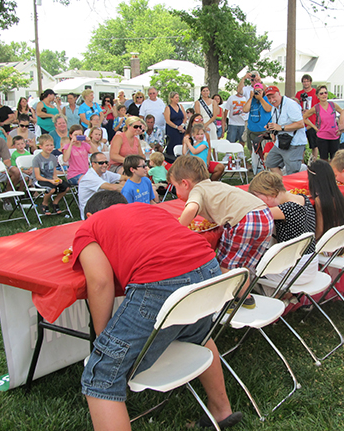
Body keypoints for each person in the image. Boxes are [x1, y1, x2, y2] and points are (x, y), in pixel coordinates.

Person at [73, 190, 242, 431]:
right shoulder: (150, 209)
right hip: (209, 269)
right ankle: (221, 410)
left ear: (88, 215)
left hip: (161, 282)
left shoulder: (89, 225)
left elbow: (99, 281)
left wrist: (103, 339)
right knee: (199, 336)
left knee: (102, 372)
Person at [169, 155, 274, 278]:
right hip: (265, 215)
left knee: (226, 267)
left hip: (244, 220)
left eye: (175, 186)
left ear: (185, 183)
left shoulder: (197, 190)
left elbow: (191, 208)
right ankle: (245, 294)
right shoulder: (214, 185)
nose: (176, 191)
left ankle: (235, 296)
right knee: (242, 265)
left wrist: (177, 231)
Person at [248, 170, 318, 287]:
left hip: (295, 270)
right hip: (310, 264)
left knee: (246, 260)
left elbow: (252, 214)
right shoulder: (303, 198)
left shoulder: (286, 209)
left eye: (259, 198)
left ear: (273, 194)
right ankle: (284, 296)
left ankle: (269, 296)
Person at [263, 86, 307, 176]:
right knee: (270, 162)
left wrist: (281, 127)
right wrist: (271, 128)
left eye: (273, 97)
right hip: (281, 142)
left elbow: (300, 124)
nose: (272, 100)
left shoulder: (291, 105)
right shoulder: (274, 107)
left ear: (279, 94)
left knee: (292, 171)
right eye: (269, 98)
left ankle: (292, 188)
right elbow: (277, 125)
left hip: (294, 143)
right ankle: (283, 185)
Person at [307, 159, 344, 240]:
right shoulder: (338, 194)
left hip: (329, 246)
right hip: (343, 242)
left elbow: (320, 229)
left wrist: (312, 243)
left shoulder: (320, 200)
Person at [303, 85, 343, 161]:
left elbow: (343, 113)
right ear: (318, 96)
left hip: (334, 135)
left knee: (334, 159)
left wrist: (340, 126)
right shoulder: (316, 107)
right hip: (322, 136)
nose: (324, 95)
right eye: (321, 93)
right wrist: (314, 127)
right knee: (324, 159)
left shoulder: (333, 105)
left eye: (325, 92)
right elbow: (304, 117)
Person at [32, 134, 69, 215]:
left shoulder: (53, 157)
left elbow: (54, 174)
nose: (49, 147)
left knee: (66, 187)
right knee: (51, 189)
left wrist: (56, 179)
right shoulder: (37, 159)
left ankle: (55, 202)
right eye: (47, 145)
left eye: (51, 145)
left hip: (50, 179)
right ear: (40, 146)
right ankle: (44, 204)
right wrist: (51, 181)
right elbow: (38, 176)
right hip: (40, 180)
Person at [77, 152, 122, 219]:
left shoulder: (105, 173)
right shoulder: (89, 177)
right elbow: (113, 188)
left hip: (102, 206)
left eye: (106, 162)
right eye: (101, 163)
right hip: (91, 213)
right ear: (93, 164)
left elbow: (124, 177)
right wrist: (133, 186)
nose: (105, 165)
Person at [182, 114, 225, 181]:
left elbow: (208, 150)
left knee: (220, 167)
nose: (199, 121)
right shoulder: (189, 137)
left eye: (201, 120)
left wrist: (207, 164)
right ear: (192, 122)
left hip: (203, 162)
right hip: (193, 164)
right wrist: (185, 142)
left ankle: (211, 183)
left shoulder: (206, 136)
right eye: (197, 120)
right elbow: (185, 153)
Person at [295, 74, 320, 160]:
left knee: (314, 145)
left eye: (307, 81)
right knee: (301, 146)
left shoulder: (315, 93)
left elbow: (319, 107)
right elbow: (295, 105)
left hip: (312, 122)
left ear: (310, 82)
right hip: (302, 123)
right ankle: (301, 163)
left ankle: (314, 162)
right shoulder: (299, 94)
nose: (306, 83)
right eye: (304, 81)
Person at [242, 83, 272, 148]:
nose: (258, 92)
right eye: (256, 91)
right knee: (251, 148)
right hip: (252, 130)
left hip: (264, 130)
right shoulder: (252, 100)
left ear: (263, 91)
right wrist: (250, 98)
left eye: (260, 91)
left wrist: (261, 99)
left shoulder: (266, 98)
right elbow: (245, 110)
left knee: (264, 150)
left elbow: (268, 109)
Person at [163, 91, 186, 159]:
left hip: (181, 128)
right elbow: (168, 120)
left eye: (178, 97)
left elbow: (185, 117)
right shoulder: (168, 108)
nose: (177, 99)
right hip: (172, 129)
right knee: (172, 145)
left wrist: (182, 125)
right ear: (171, 98)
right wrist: (176, 127)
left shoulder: (180, 106)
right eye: (176, 97)